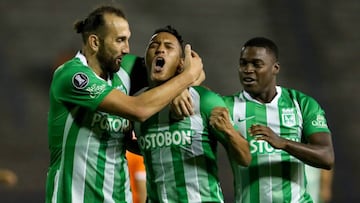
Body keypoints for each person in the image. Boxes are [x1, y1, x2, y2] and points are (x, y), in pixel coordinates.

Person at [45, 5, 203, 203]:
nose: (127, 49)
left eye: (127, 39)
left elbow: (194, 69)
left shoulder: (124, 70)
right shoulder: (73, 76)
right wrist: (185, 79)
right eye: (120, 40)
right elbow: (139, 109)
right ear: (95, 42)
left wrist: (181, 87)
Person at [133, 25, 251, 203]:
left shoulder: (204, 100)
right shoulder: (138, 105)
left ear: (181, 63)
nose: (160, 49)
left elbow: (245, 158)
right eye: (153, 45)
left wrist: (229, 131)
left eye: (168, 46)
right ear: (145, 60)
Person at [213, 37, 334, 202]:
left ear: (275, 68)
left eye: (256, 64)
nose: (248, 70)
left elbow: (327, 157)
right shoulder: (227, 107)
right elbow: (201, 97)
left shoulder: (301, 103)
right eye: (243, 63)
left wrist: (283, 143)